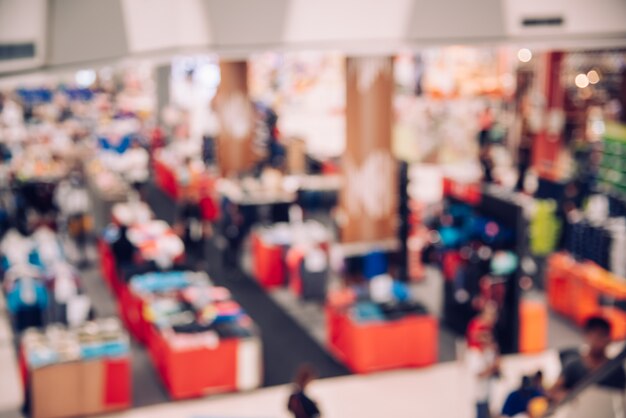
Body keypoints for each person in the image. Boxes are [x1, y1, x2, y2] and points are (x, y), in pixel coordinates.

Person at [548, 316, 626, 403]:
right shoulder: (573, 366)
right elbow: (553, 391)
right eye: (595, 336)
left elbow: (621, 399)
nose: (598, 341)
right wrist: (564, 396)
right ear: (587, 336)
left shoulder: (615, 370)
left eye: (602, 335)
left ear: (609, 339)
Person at [466, 301, 501, 418]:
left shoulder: (489, 345)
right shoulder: (474, 352)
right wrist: (492, 368)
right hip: (479, 393)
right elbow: (479, 373)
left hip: (488, 391)